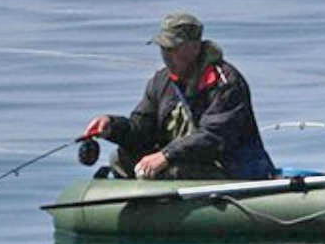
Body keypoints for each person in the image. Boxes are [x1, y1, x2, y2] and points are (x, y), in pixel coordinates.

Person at [83, 12, 275, 180]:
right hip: (181, 159)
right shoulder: (161, 81)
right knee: (119, 159)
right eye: (163, 48)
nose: (166, 56)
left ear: (195, 47)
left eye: (172, 49)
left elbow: (214, 137)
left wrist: (166, 156)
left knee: (174, 171)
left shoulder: (225, 83)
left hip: (230, 169)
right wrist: (112, 127)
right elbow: (142, 130)